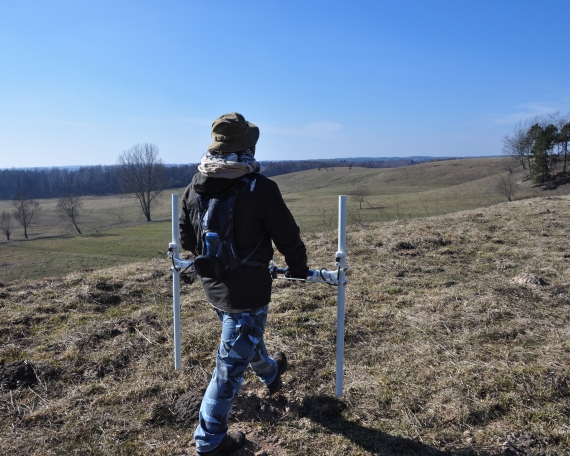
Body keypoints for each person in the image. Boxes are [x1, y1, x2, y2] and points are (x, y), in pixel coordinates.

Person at [179, 112, 308, 456]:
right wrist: (298, 268)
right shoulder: (260, 188)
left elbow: (186, 239)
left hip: (213, 286)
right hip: (249, 291)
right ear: (247, 147)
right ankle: (209, 442)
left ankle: (271, 372)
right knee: (228, 368)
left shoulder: (194, 186)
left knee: (244, 338)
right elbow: (287, 235)